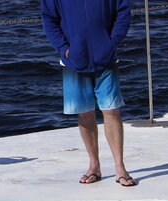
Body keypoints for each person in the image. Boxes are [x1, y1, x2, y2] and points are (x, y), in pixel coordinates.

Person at [40, 0, 136, 187]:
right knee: (84, 112)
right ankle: (94, 166)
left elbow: (123, 12)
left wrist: (113, 42)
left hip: (106, 59)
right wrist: (64, 49)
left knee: (112, 111)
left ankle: (120, 167)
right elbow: (49, 19)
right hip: (73, 61)